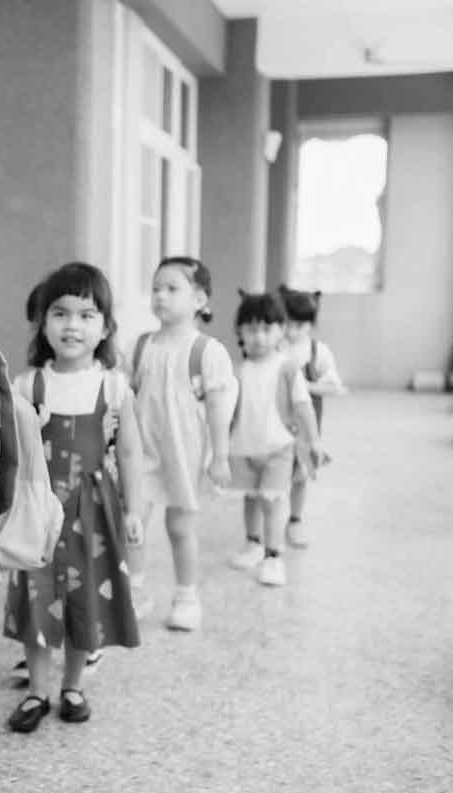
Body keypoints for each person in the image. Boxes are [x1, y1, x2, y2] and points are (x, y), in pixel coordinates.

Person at [2, 262, 143, 734]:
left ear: (105, 326)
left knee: (86, 596)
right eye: (60, 314)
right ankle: (38, 691)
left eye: (86, 315)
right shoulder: (27, 385)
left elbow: (130, 453)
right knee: (36, 593)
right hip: (41, 507)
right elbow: (10, 453)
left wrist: (134, 510)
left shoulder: (114, 386)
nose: (73, 325)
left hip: (93, 506)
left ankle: (73, 685)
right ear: (43, 323)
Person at [122, 256, 237, 631]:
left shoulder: (207, 351)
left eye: (172, 289)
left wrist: (220, 456)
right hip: (143, 450)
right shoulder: (140, 346)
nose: (161, 296)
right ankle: (133, 591)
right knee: (133, 520)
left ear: (200, 299)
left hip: (184, 452)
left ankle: (187, 595)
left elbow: (219, 406)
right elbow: (125, 397)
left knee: (180, 526)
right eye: (156, 288)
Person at [226, 291, 326, 587]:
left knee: (272, 501)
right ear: (240, 332)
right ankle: (253, 543)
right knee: (250, 497)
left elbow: (303, 405)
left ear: (280, 330)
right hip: (244, 447)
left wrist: (315, 440)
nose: (259, 337)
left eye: (267, 329)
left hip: (278, 448)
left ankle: (273, 556)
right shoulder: (238, 371)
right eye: (252, 329)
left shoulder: (287, 369)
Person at [279, 284, 345, 548]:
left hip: (306, 427)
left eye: (299, 325)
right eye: (287, 324)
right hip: (277, 423)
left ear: (310, 325)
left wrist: (304, 386)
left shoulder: (319, 353)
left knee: (300, 475)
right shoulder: (276, 347)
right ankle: (266, 527)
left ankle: (295, 520)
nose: (292, 330)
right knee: (273, 474)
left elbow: (334, 386)